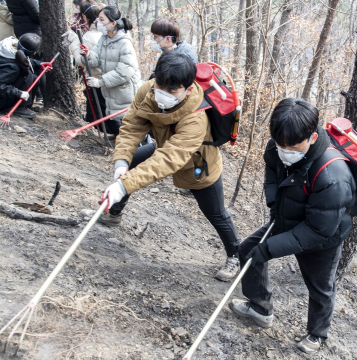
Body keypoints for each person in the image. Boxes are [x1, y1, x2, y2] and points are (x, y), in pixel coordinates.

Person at [98, 52, 242, 282]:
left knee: (215, 212)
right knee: (132, 163)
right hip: (164, 146)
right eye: (159, 86)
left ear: (188, 89)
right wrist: (121, 162)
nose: (162, 94)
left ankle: (236, 254)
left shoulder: (196, 118)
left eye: (172, 91)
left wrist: (124, 185)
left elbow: (169, 159)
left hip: (198, 162)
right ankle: (114, 213)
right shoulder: (148, 91)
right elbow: (133, 126)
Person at [229, 99, 356, 355]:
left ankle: (317, 333)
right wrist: (274, 200)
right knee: (248, 251)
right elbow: (271, 169)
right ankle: (260, 307)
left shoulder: (334, 176)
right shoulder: (278, 144)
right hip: (287, 217)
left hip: (323, 237)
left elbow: (317, 230)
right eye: (280, 145)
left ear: (312, 137)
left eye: (293, 147)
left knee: (320, 287)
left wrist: (269, 248)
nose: (285, 151)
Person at [79, 5, 141, 137]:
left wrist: (100, 82)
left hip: (125, 90)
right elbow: (95, 59)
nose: (98, 23)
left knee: (130, 124)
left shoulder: (124, 43)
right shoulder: (104, 38)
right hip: (111, 89)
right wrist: (88, 55)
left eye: (102, 20)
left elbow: (124, 71)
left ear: (113, 23)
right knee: (118, 122)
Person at [63, 1, 114, 132]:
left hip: (96, 78)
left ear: (84, 17)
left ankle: (100, 130)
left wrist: (74, 41)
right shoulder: (107, 33)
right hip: (108, 77)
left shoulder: (89, 37)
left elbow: (81, 60)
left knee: (98, 109)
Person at [0, 33, 48, 119]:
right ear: (33, 53)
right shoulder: (13, 66)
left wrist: (38, 64)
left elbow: (25, 59)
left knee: (33, 77)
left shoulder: (8, 49)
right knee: (28, 75)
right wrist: (19, 93)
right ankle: (18, 107)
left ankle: (25, 106)